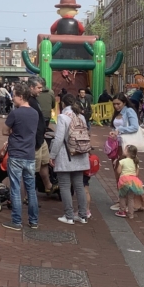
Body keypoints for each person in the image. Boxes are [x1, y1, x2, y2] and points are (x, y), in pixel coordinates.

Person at [1, 84, 39, 231]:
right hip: (29, 154)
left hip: (16, 153)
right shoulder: (35, 113)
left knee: (16, 188)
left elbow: (5, 131)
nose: (13, 98)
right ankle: (33, 220)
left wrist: (13, 132)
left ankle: (16, 221)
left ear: (21, 97)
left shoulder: (15, 113)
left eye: (14, 95)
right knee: (30, 189)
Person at [49, 93, 90, 224]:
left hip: (66, 155)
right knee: (79, 185)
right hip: (80, 154)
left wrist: (52, 155)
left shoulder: (62, 117)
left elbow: (59, 138)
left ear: (62, 104)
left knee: (65, 186)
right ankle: (83, 215)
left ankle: (69, 216)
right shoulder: (81, 116)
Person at [108, 92, 139, 211]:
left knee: (125, 173)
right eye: (114, 104)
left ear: (124, 102)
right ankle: (122, 199)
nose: (116, 106)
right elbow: (115, 127)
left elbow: (135, 127)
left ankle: (127, 201)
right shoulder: (118, 113)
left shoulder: (129, 111)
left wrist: (119, 130)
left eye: (118, 104)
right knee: (118, 172)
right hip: (117, 145)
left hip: (126, 146)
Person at [27, 76, 53, 194]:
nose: (40, 90)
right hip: (35, 140)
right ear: (31, 87)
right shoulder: (28, 101)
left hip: (40, 138)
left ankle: (48, 186)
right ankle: (29, 194)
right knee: (32, 169)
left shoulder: (34, 99)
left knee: (44, 162)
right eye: (38, 88)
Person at [115, 145, 144, 219]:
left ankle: (122, 211)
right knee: (131, 198)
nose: (124, 151)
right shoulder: (135, 162)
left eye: (125, 150)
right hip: (133, 181)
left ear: (127, 152)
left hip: (124, 180)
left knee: (122, 196)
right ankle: (130, 214)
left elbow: (118, 171)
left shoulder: (122, 161)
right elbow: (136, 174)